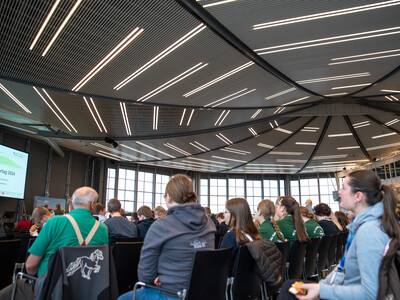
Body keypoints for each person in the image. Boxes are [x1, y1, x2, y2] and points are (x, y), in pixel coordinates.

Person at [278, 169, 400, 300]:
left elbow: (371, 293)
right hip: (342, 287)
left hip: (347, 292)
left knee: (289, 290)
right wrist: (321, 287)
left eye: (343, 187)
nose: (339, 192)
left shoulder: (368, 232)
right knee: (290, 287)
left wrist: (322, 291)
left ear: (358, 196)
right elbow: (343, 268)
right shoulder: (364, 226)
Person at [0, 187, 109, 299]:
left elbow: (30, 266)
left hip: (51, 292)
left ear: (72, 204)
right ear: (92, 204)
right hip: (86, 291)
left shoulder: (54, 222)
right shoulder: (103, 229)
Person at [118, 174, 215, 300]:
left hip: (171, 293)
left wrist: (161, 278)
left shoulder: (162, 225)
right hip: (204, 292)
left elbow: (145, 275)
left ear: (168, 197)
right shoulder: (209, 224)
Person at [220, 198, 262, 275]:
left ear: (234, 216)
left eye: (225, 212)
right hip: (252, 284)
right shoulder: (254, 235)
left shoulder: (230, 237)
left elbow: (222, 267)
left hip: (231, 284)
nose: (223, 214)